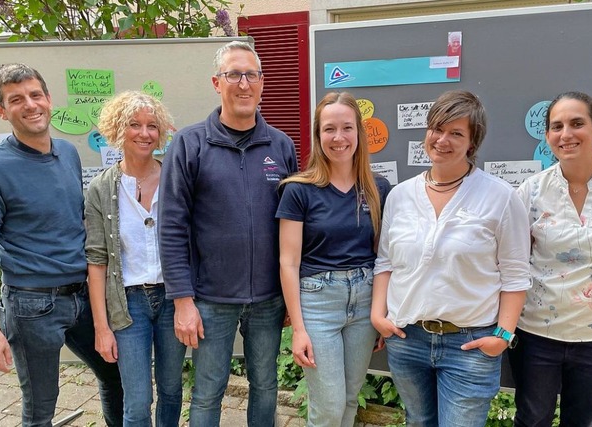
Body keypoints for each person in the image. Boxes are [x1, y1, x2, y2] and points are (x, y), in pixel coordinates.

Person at [158, 40, 298, 427]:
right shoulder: (189, 144)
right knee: (207, 390)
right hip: (210, 299)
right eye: (233, 74)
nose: (243, 83)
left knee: (266, 385)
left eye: (251, 75)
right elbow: (171, 227)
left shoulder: (281, 146)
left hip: (269, 299)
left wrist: (291, 295)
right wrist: (182, 301)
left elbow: (294, 227)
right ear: (216, 82)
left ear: (262, 83)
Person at [370, 90, 531, 427]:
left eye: (456, 133)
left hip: (469, 344)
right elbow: (385, 261)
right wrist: (378, 315)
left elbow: (515, 276)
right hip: (408, 340)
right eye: (437, 129)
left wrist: (502, 336)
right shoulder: (400, 196)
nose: (442, 140)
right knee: (418, 421)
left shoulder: (500, 197)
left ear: (472, 143)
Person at [0, 63, 123, 427]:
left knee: (115, 377)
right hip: (33, 305)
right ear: (1, 110)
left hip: (84, 297)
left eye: (35, 94)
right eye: (16, 100)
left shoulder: (68, 152)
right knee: (41, 405)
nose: (30, 105)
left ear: (49, 99)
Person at [277, 91, 391, 427]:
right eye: (329, 129)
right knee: (327, 406)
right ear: (317, 135)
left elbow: (383, 257)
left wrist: (380, 310)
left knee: (349, 399)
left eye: (347, 128)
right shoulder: (298, 190)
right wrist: (298, 329)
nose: (338, 138)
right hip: (317, 303)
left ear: (359, 133)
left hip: (365, 299)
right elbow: (288, 262)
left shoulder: (378, 188)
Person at [510, 91, 592, 427]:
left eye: (577, 123)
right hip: (536, 334)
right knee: (531, 419)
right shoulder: (530, 191)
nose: (566, 134)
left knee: (582, 421)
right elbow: (513, 261)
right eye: (556, 126)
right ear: (547, 136)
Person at [85, 91, 186, 426]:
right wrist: (102, 327)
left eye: (152, 126)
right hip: (128, 304)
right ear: (117, 129)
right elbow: (97, 262)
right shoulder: (102, 188)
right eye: (135, 124)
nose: (145, 133)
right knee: (138, 401)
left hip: (172, 298)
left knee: (172, 390)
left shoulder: (176, 178)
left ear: (161, 133)